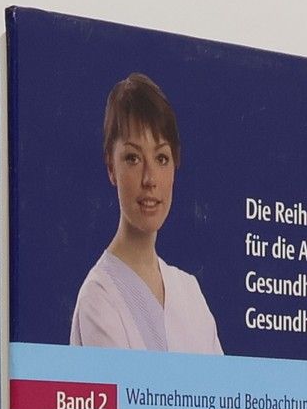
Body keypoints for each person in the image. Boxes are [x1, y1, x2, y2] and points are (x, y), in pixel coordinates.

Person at [69, 73, 223, 353]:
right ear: (111, 167)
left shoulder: (189, 292)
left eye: (161, 158)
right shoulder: (99, 296)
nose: (150, 179)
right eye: (133, 158)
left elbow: (221, 384)